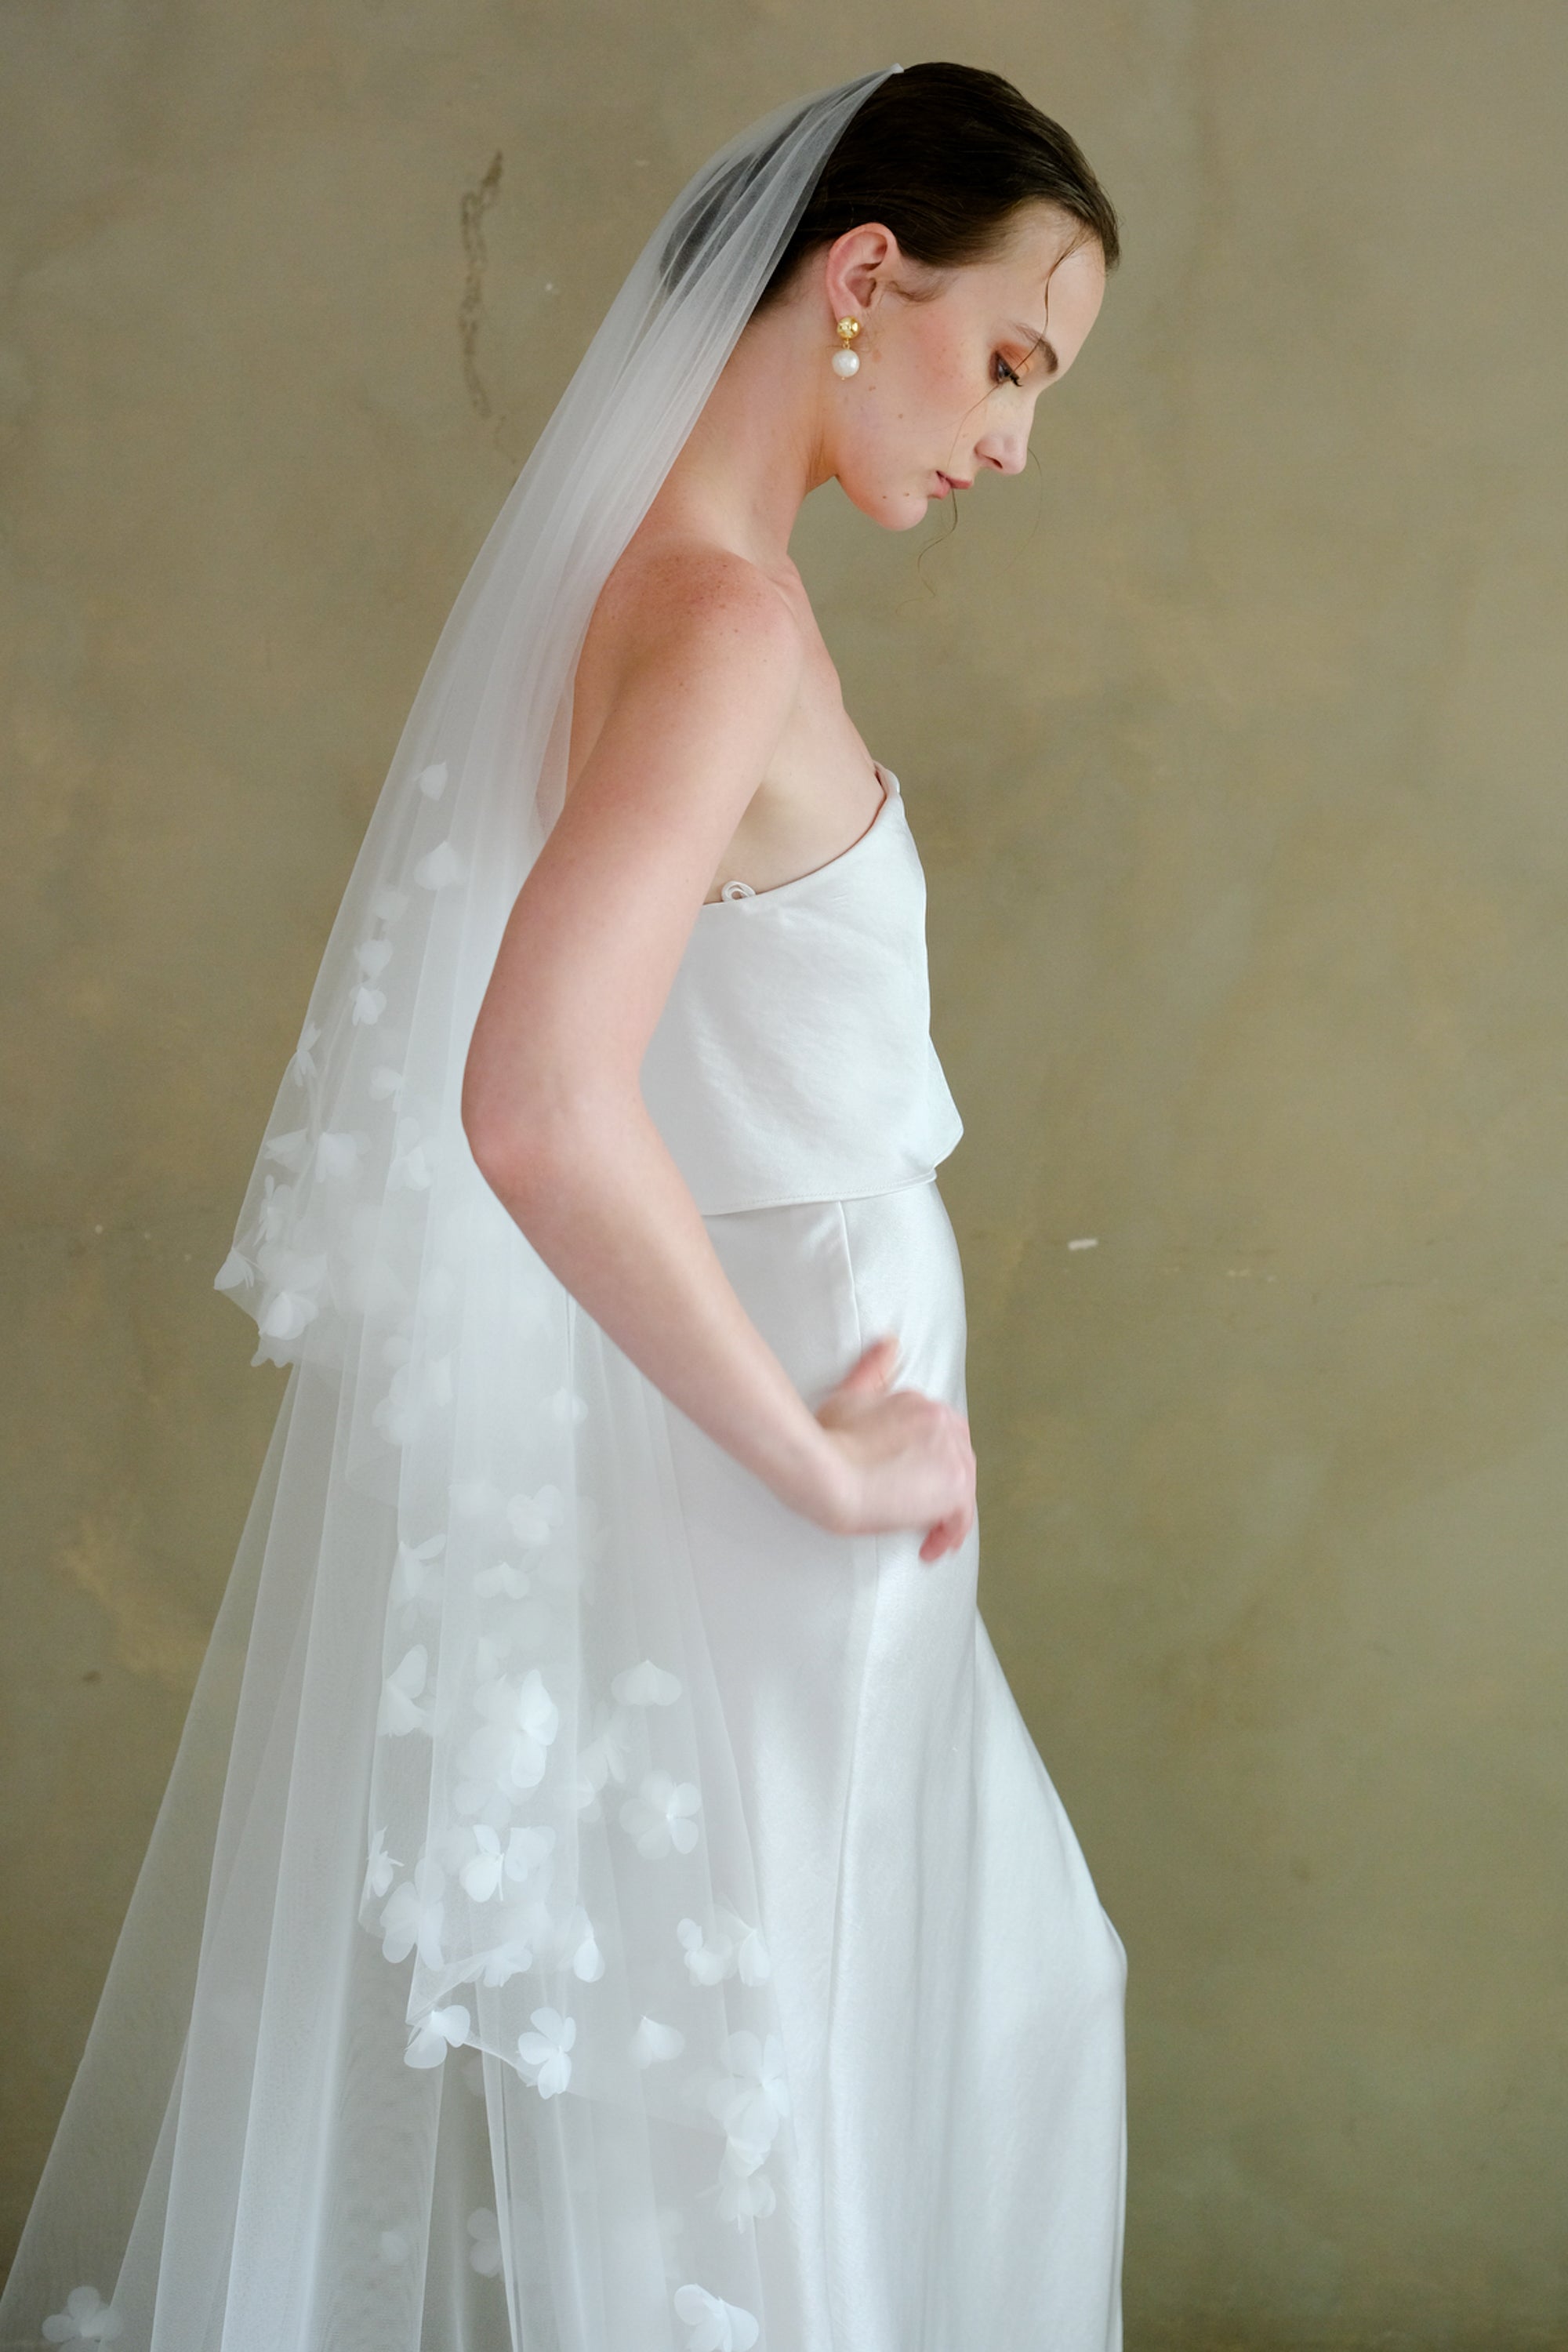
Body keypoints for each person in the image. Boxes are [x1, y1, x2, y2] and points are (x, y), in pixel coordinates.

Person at [1, 61, 1126, 2352]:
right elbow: (533, 1105)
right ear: (866, 277)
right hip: (795, 1467)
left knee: (914, 2027)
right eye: (1011, 358)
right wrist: (815, 1457)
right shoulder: (722, 628)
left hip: (795, 1445)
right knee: (830, 2075)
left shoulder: (681, 600)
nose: (1017, 439)